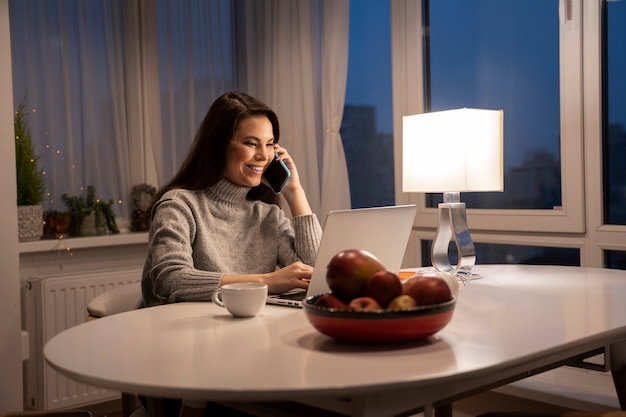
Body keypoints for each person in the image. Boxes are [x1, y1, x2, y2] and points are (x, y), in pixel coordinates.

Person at [141, 91, 322, 308]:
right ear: (219, 147)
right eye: (251, 143)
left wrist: (295, 192)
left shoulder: (268, 215)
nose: (264, 156)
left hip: (244, 329)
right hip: (184, 332)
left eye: (269, 144)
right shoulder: (179, 205)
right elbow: (170, 280)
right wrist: (267, 281)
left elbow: (315, 275)